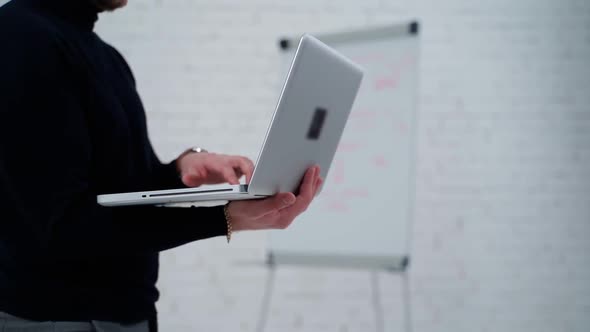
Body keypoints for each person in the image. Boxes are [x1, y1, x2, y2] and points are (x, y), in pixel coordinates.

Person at [0, 0, 324, 331]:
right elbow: (62, 225)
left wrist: (182, 168)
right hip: (57, 319)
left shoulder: (107, 58)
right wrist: (224, 218)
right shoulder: (19, 35)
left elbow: (123, 190)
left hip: (126, 315)